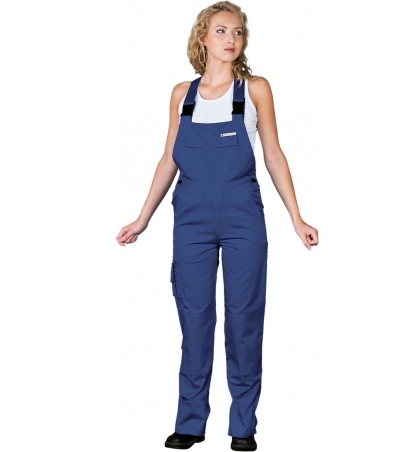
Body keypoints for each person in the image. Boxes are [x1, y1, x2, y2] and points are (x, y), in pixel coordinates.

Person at [116, 2, 319, 450]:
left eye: (238, 32)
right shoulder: (181, 94)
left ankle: (243, 426)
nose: (232, 39)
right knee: (195, 318)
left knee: (244, 318)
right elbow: (169, 159)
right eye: (222, 31)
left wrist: (296, 217)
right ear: (203, 38)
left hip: (241, 210)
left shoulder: (255, 89)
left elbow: (273, 155)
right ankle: (190, 423)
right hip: (190, 215)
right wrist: (143, 218)